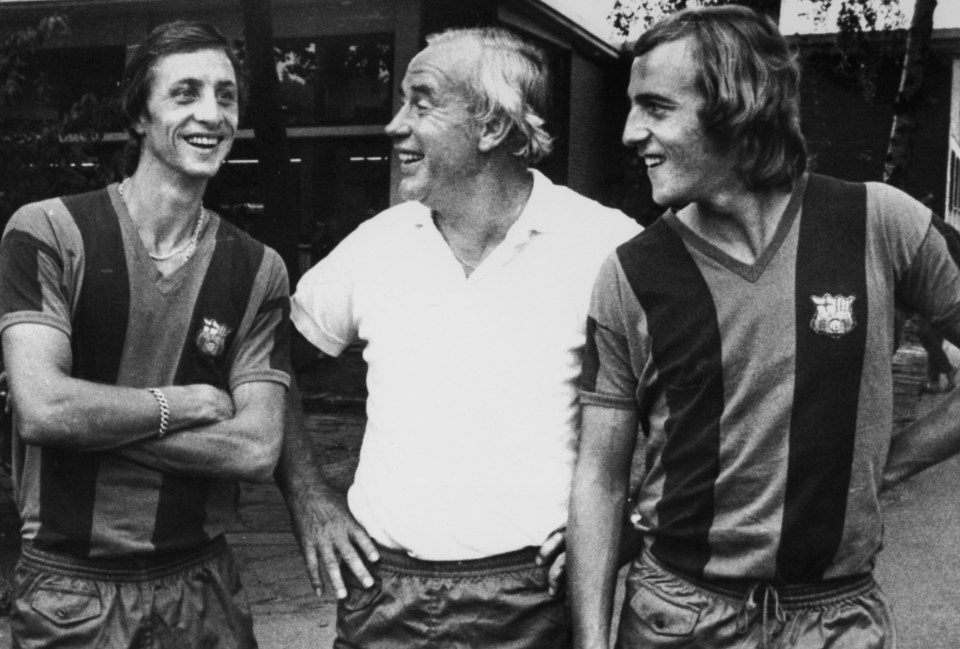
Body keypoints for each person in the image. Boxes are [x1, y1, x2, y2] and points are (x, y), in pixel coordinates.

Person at [568, 5, 960, 649]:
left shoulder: (878, 222)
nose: (629, 133)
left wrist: (890, 462)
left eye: (657, 108)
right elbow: (600, 476)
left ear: (738, 108)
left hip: (836, 619)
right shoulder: (630, 274)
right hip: (679, 616)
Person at [278, 26, 640, 649]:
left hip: (533, 598)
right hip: (380, 594)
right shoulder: (379, 243)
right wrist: (309, 495)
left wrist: (630, 520)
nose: (395, 125)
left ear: (492, 126)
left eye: (421, 102)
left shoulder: (605, 246)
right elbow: (269, 363)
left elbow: (685, 405)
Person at [0, 21, 291, 649]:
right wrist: (185, 405)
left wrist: (87, 421)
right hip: (72, 594)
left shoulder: (258, 269)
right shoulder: (49, 232)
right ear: (138, 114)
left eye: (226, 95)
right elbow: (45, 410)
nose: (211, 114)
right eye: (185, 93)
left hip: (202, 588)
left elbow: (255, 451)